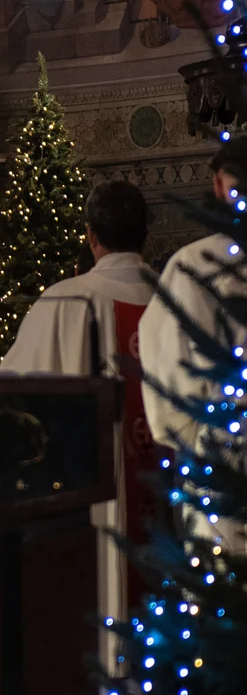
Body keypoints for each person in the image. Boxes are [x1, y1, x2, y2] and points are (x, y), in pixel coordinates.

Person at [0, 180, 155, 672]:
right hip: (175, 508)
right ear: (145, 234)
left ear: (91, 237)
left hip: (85, 515)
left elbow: (7, 405)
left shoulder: (63, 303)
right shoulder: (183, 303)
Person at [138, 137, 247, 555]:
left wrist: (195, 435)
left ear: (220, 186)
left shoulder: (192, 266)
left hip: (225, 457)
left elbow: (165, 374)